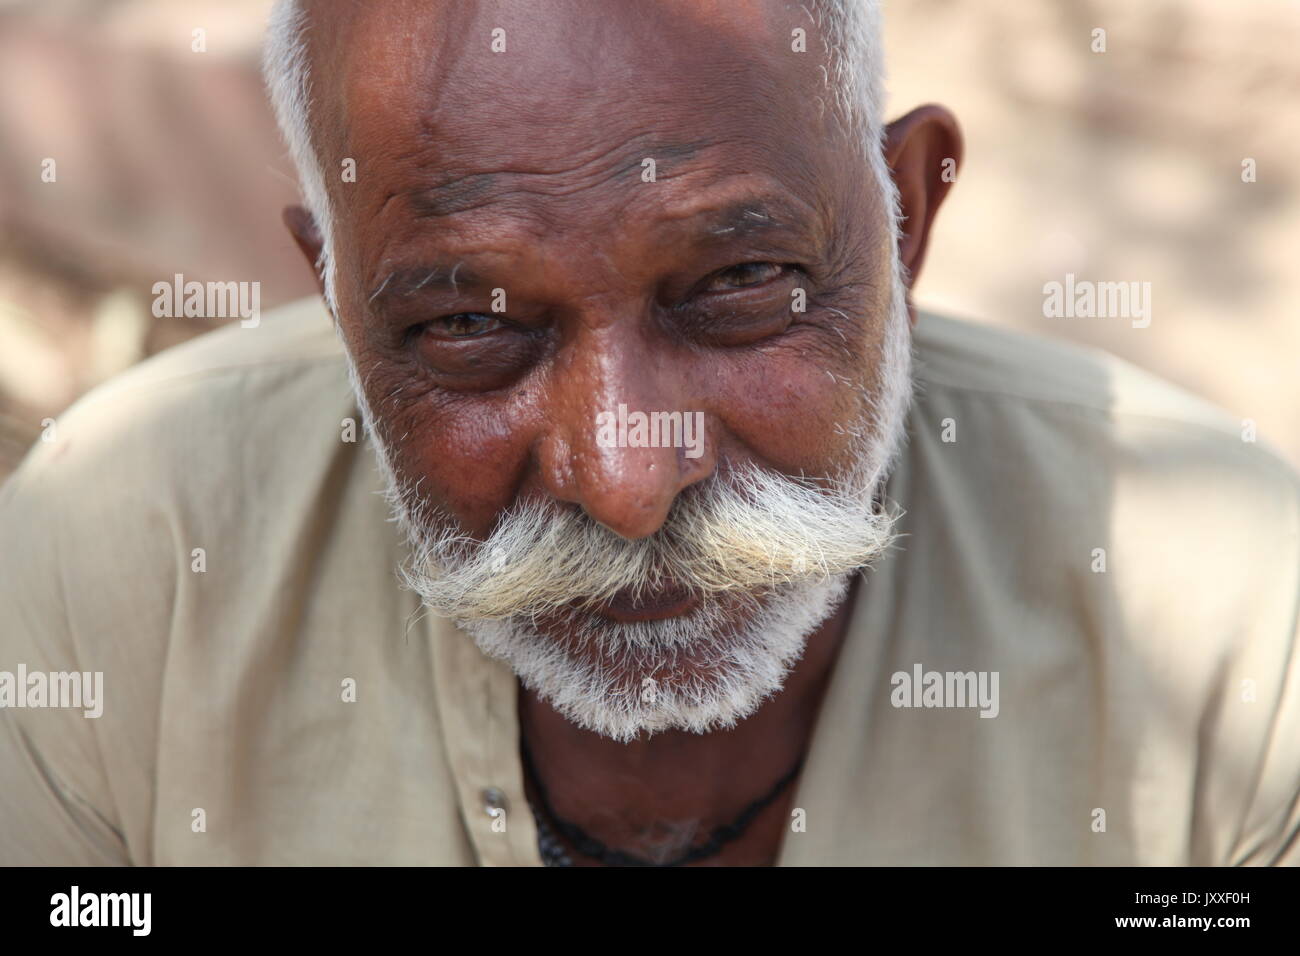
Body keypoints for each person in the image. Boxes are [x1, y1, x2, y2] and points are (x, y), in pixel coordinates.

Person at [1, 0, 1296, 866]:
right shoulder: (112, 569)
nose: (624, 482)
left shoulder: (1238, 628)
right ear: (338, 302)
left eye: (737, 290)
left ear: (905, 218)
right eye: (471, 328)